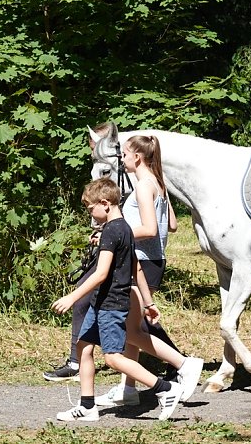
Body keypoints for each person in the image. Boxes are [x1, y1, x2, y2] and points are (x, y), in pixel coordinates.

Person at [51, 178, 202, 422]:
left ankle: (165, 389)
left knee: (112, 358)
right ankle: (87, 406)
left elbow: (100, 274)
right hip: (101, 302)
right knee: (83, 346)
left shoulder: (111, 231)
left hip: (111, 304)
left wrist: (72, 296)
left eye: (91, 209)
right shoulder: (126, 228)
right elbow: (136, 268)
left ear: (105, 203)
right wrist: (149, 302)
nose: (91, 214)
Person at [95, 134, 189, 408]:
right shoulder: (158, 182)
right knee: (133, 327)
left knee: (129, 330)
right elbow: (172, 224)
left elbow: (151, 229)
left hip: (144, 260)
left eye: (124, 155)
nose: (122, 160)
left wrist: (111, 233)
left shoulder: (142, 187)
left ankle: (183, 365)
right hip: (153, 259)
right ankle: (128, 388)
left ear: (137, 157)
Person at [43, 123, 115, 382]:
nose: (92, 149)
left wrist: (107, 235)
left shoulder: (120, 177)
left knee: (86, 301)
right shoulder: (103, 173)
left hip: (114, 250)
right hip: (104, 245)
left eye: (95, 144)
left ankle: (177, 362)